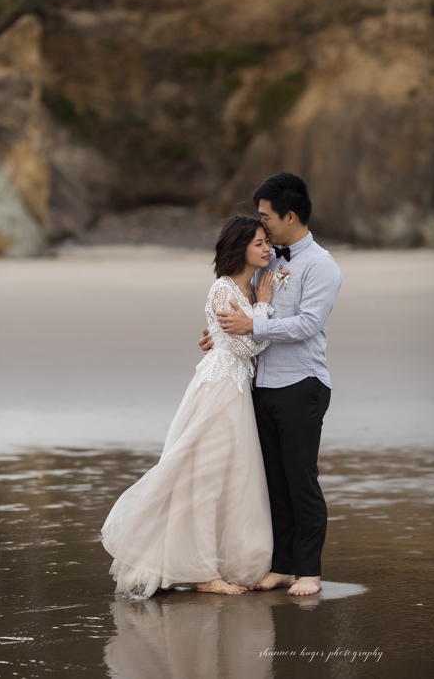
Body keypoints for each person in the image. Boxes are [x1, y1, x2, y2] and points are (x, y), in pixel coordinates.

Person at [101, 215, 278, 599]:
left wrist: (251, 318)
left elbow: (245, 342)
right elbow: (247, 347)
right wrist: (262, 311)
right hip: (217, 391)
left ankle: (219, 562)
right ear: (240, 248)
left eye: (267, 241)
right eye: (260, 243)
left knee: (232, 476)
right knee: (204, 476)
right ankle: (201, 572)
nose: (268, 249)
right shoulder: (223, 290)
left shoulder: (244, 294)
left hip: (236, 391)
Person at [203, 172, 342, 596]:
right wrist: (224, 334)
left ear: (290, 215)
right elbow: (246, 306)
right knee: (274, 483)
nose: (261, 224)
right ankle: (281, 565)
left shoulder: (321, 266)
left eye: (266, 216)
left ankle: (309, 571)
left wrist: (252, 325)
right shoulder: (273, 257)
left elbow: (306, 324)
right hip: (262, 385)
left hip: (302, 384)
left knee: (301, 479)